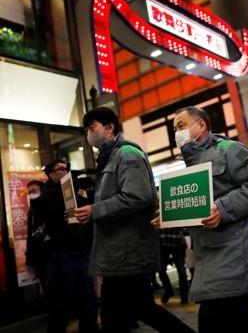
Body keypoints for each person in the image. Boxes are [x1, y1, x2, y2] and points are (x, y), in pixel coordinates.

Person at [75, 107, 193, 333]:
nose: (88, 134)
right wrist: (89, 211)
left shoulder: (127, 154)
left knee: (136, 309)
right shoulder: (109, 158)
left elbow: (138, 196)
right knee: (116, 316)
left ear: (109, 128)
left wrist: (95, 210)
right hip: (116, 253)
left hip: (128, 252)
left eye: (92, 128)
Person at [172, 106, 248, 333]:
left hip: (234, 252)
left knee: (216, 318)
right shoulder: (190, 165)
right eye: (174, 129)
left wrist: (222, 208)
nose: (177, 133)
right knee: (238, 318)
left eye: (181, 126)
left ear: (201, 125)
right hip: (210, 253)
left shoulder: (228, 150)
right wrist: (170, 216)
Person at [40, 160, 98, 333]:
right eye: (61, 169)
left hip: (82, 251)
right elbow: (51, 214)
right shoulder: (46, 194)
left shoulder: (72, 190)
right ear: (50, 173)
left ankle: (90, 327)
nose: (65, 171)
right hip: (62, 254)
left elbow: (88, 208)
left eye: (66, 169)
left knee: (87, 295)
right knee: (63, 297)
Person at [26, 180, 49, 289]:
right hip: (37, 257)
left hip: (51, 256)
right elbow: (29, 235)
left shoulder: (49, 207)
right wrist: (29, 259)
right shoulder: (31, 210)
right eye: (29, 192)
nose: (31, 194)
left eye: (34, 191)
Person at [157, 227, 189, 304]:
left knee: (181, 271)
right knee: (161, 269)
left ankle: (184, 296)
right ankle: (169, 291)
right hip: (163, 241)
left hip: (177, 242)